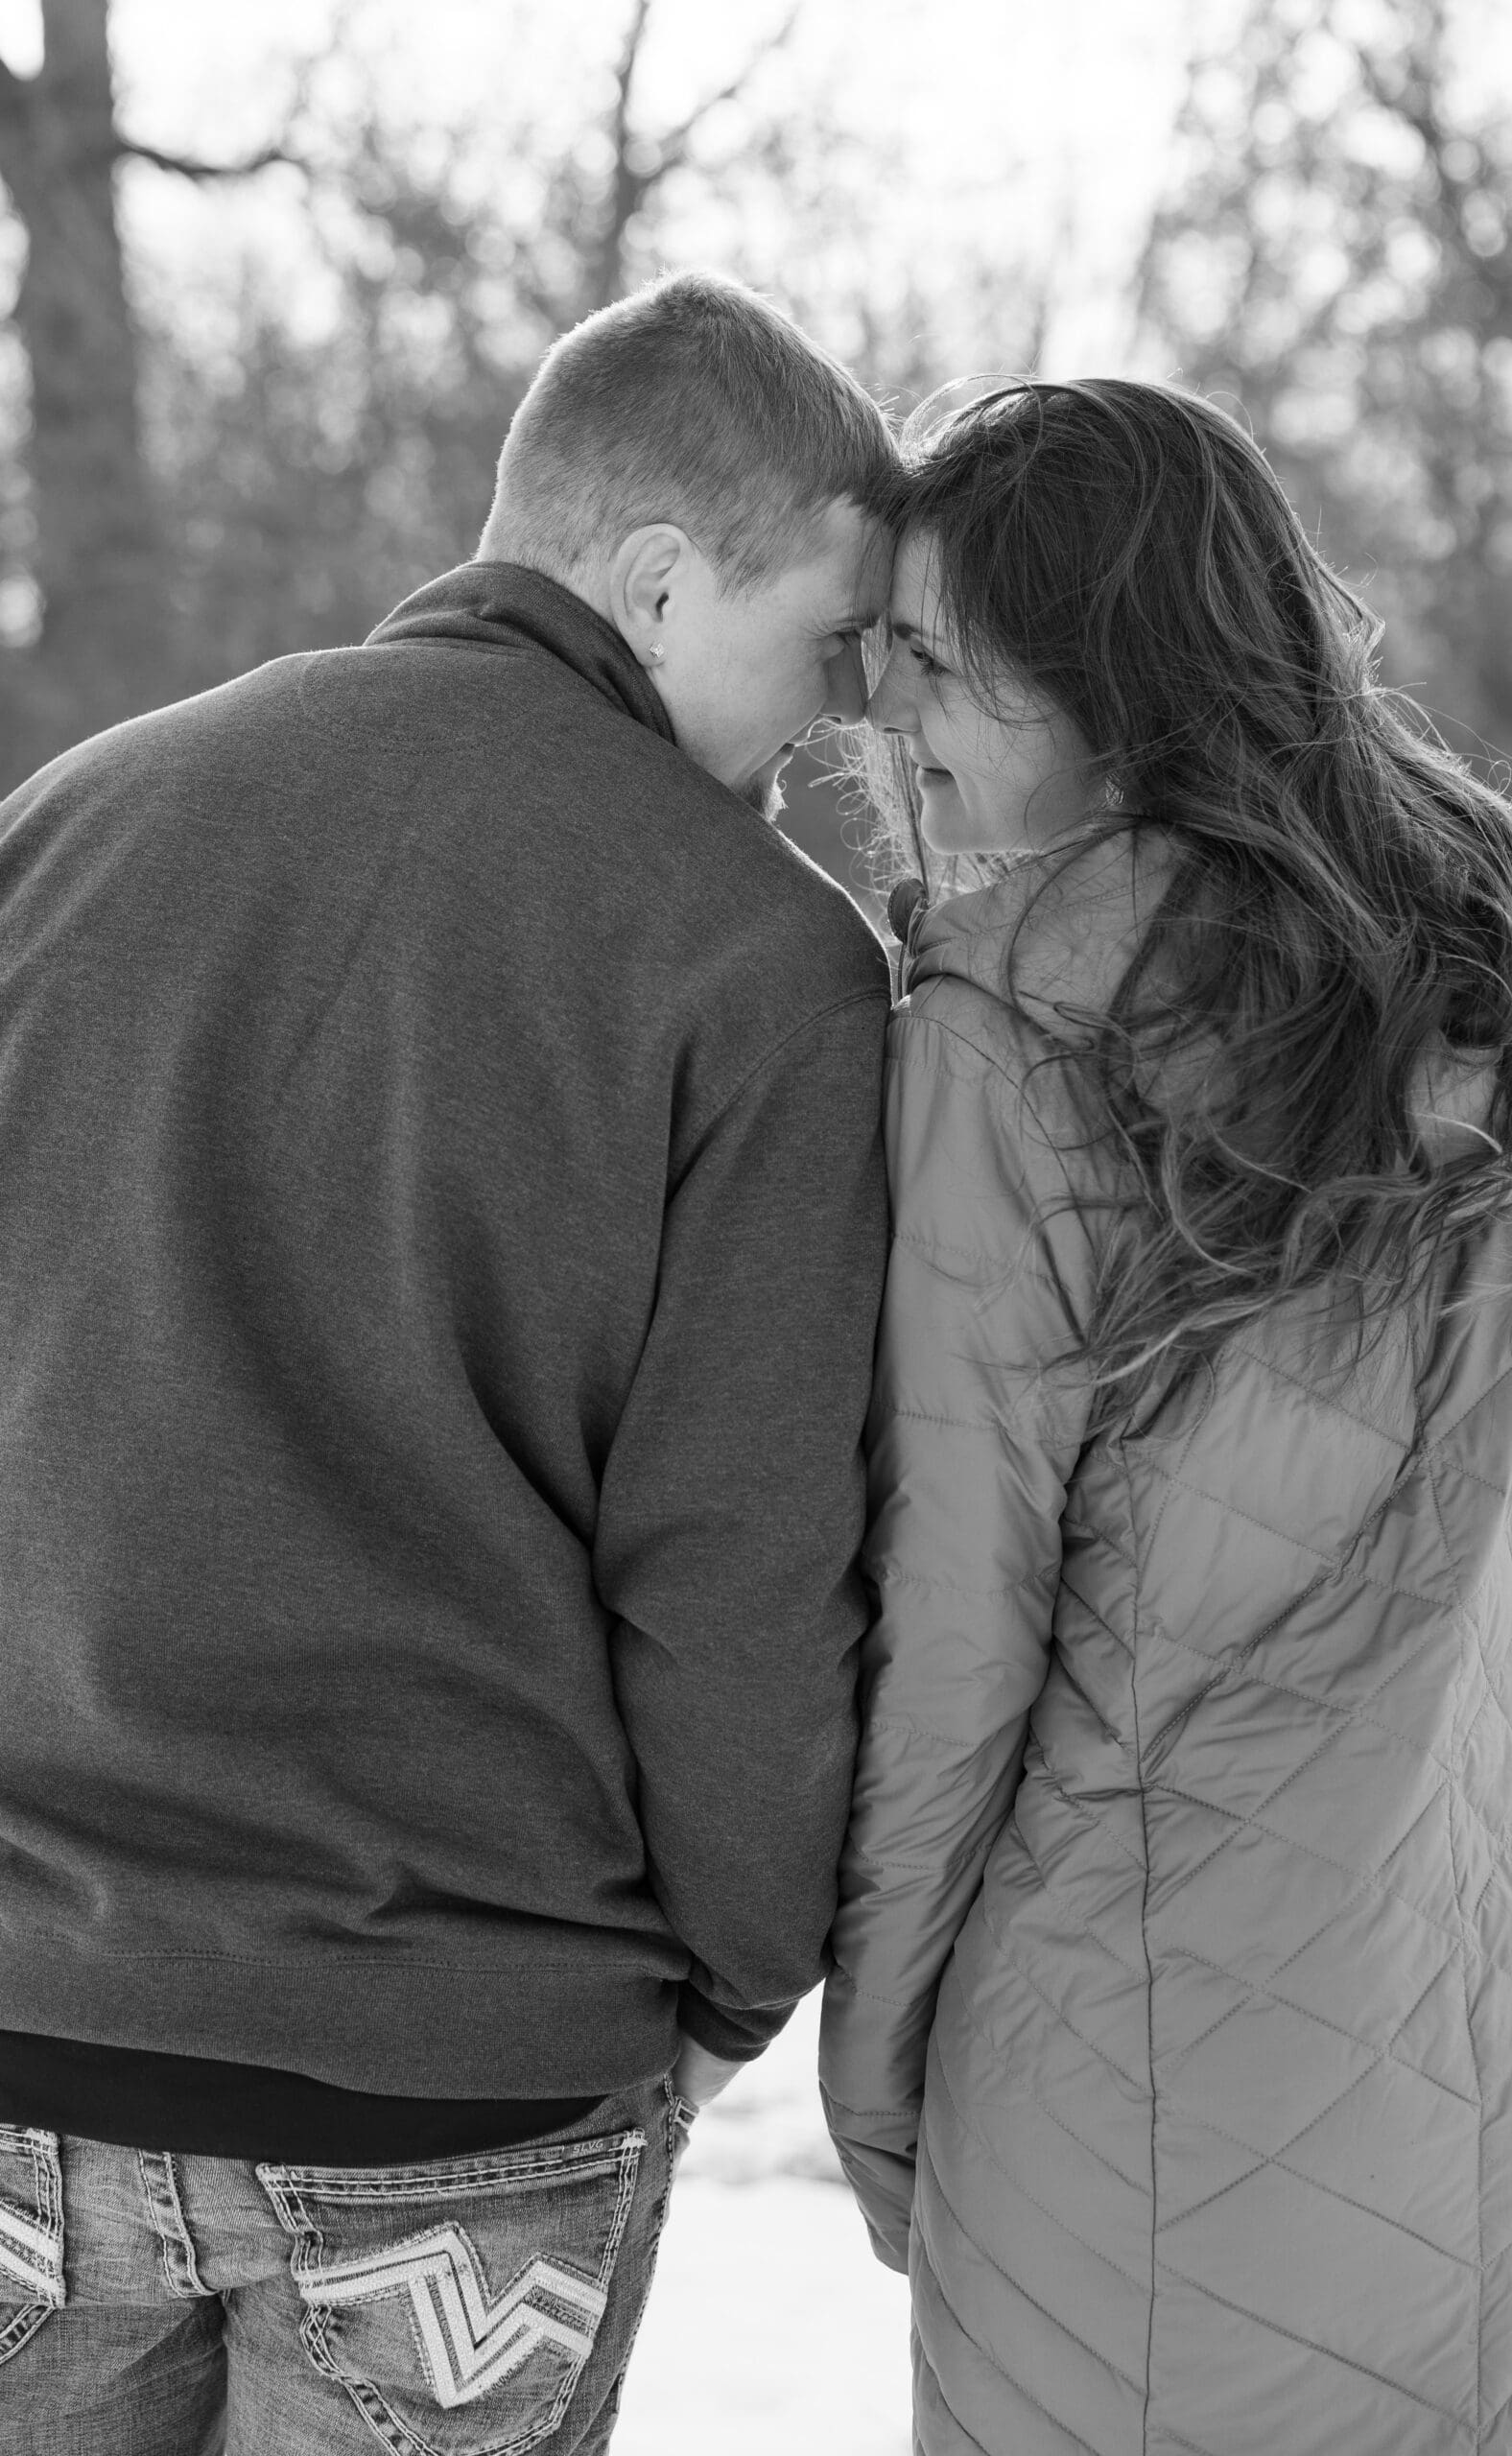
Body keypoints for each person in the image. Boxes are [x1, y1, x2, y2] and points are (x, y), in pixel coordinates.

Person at [0, 271, 900, 2453]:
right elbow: (740, 1573)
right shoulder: (761, 964)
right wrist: (736, 1971)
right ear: (659, 578)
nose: (831, 717)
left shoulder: (65, 823)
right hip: (461, 2083)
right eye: (820, 643)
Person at [819, 377, 1512, 2456]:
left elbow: (957, 1628)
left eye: (929, 660)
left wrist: (882, 2061)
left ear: (1104, 686)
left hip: (1139, 2113)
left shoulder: (1005, 1033)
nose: (876, 714)